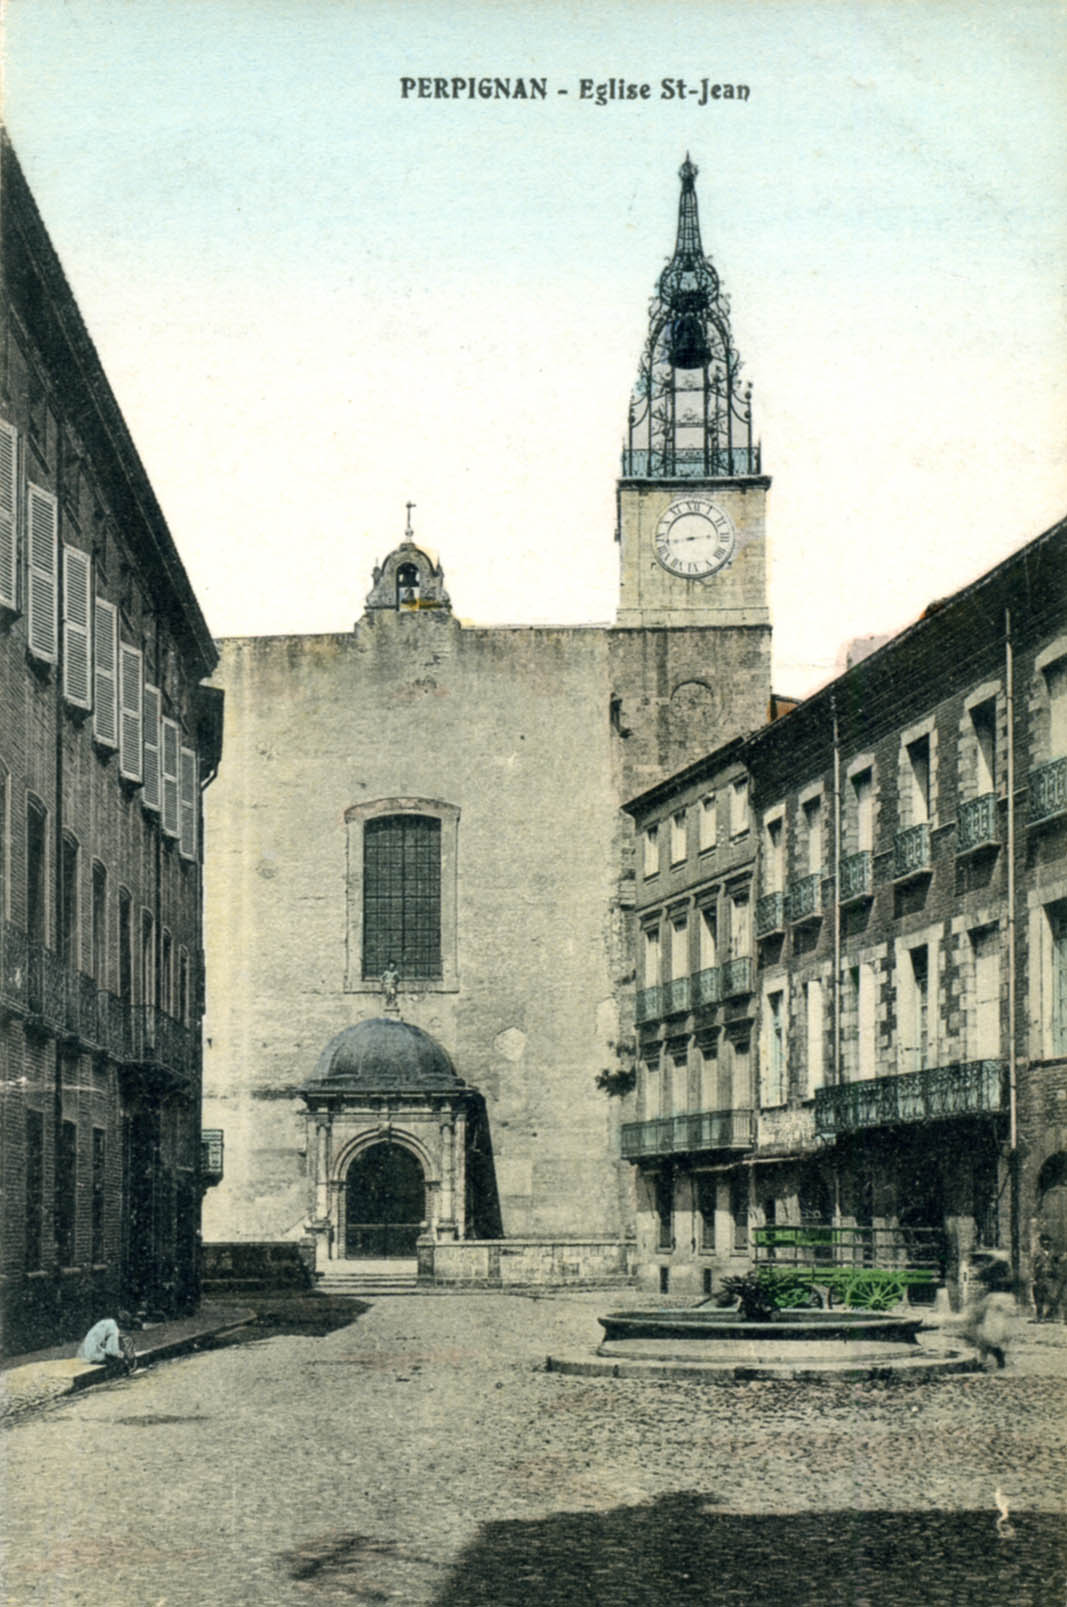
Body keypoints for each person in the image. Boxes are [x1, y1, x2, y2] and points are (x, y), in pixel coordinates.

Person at [1032, 1234, 1056, 1322]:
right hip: (1040, 1277)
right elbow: (1033, 1266)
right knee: (1039, 1297)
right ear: (1041, 1243)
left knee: (1051, 1297)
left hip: (1050, 1278)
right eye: (1044, 1242)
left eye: (1048, 1242)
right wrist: (1033, 1279)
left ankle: (1050, 1316)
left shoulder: (1053, 1253)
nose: (1046, 1244)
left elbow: (1056, 1263)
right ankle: (1039, 1316)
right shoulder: (1037, 1253)